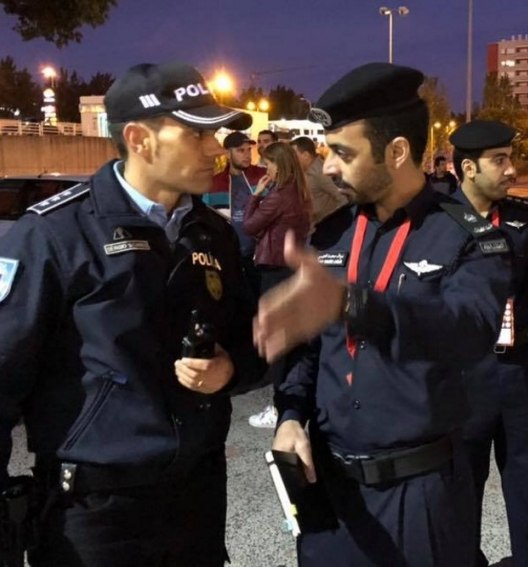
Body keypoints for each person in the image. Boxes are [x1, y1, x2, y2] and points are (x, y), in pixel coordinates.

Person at [0, 62, 266, 566]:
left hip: (196, 503)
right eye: (196, 134)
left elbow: (249, 338)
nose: (216, 148)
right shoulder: (56, 234)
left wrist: (233, 369)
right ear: (140, 139)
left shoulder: (212, 233)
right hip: (95, 515)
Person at [253, 62, 512, 565]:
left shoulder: (468, 238)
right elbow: (310, 350)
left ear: (397, 152)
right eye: (327, 150)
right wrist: (289, 416)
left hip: (420, 497)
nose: (327, 166)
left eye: (343, 153)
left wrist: (355, 305)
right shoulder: (332, 235)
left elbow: (467, 330)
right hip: (329, 493)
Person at [450, 120, 528, 567]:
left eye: (509, 158)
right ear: (468, 168)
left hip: (519, 371)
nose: (511, 169)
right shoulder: (437, 223)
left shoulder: (521, 219)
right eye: (499, 160)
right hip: (462, 380)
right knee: (460, 488)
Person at [243, 141, 313, 429]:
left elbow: (249, 226)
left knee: (277, 341)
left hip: (274, 270)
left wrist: (255, 196)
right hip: (291, 268)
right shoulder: (301, 192)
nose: (265, 168)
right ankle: (289, 403)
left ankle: (278, 405)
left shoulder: (279, 196)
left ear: (279, 164)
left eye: (268, 162)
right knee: (289, 340)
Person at [209, 131, 266, 296]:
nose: (247, 155)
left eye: (249, 150)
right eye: (241, 150)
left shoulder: (262, 176)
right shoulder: (214, 183)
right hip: (227, 258)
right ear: (228, 153)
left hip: (257, 257)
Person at [291, 135, 349, 225]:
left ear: (306, 155)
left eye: (293, 155)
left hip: (323, 227)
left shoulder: (320, 173)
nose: (291, 159)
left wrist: (332, 222)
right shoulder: (305, 171)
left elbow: (342, 199)